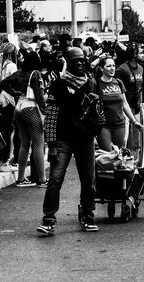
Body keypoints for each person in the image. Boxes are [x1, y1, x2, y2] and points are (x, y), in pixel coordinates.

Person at [37, 47, 99, 235]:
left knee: (88, 180)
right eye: (75, 61)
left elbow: (96, 112)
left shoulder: (91, 83)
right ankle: (48, 219)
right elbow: (51, 115)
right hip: (63, 141)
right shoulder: (58, 85)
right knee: (55, 179)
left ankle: (87, 215)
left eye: (82, 60)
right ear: (68, 62)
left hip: (85, 140)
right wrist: (52, 144)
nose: (79, 63)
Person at [0, 52, 46, 187]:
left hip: (18, 107)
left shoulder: (19, 73)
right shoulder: (36, 73)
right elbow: (39, 95)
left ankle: (20, 179)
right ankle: (42, 179)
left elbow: (3, 83)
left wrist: (14, 93)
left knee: (24, 144)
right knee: (38, 144)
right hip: (31, 107)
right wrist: (44, 112)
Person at [95, 56, 142, 151]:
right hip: (104, 126)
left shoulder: (118, 82)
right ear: (101, 68)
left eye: (113, 65)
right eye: (108, 66)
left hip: (119, 124)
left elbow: (125, 104)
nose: (112, 68)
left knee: (118, 156)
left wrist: (134, 121)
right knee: (107, 156)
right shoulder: (96, 83)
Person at [0, 42, 18, 173]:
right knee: (7, 131)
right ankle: (5, 161)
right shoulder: (11, 66)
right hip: (9, 100)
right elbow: (15, 83)